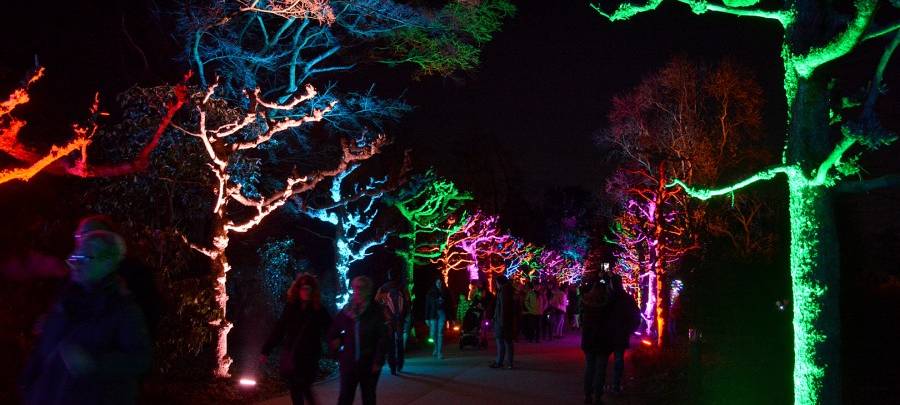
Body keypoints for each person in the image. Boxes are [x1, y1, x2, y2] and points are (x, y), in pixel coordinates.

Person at [20, 231, 151, 405]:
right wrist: (29, 386)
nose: (75, 264)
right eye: (75, 256)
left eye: (85, 257)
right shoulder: (65, 300)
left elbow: (140, 359)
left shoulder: (123, 310)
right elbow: (44, 352)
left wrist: (94, 364)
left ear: (108, 263)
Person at [261, 273, 331, 405]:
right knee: (296, 387)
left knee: (304, 386)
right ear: (298, 289)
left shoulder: (319, 310)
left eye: (309, 288)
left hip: (311, 356)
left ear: (313, 290)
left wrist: (337, 343)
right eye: (303, 288)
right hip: (293, 354)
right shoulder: (291, 308)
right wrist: (266, 350)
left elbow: (330, 329)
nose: (306, 291)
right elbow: (279, 329)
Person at [327, 276, 388, 405]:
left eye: (362, 288)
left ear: (368, 291)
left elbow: (382, 338)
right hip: (349, 363)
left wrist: (378, 360)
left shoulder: (375, 311)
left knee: (368, 397)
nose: (358, 291)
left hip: (369, 362)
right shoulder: (347, 310)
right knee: (345, 397)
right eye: (355, 288)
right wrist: (337, 346)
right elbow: (333, 331)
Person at [580, 276, 614, 405]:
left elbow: (582, 319)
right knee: (600, 370)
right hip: (603, 340)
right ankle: (598, 397)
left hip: (589, 339)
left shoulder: (586, 301)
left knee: (589, 368)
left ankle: (587, 395)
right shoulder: (607, 302)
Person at [607, 274, 641, 394]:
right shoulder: (627, 298)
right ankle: (616, 384)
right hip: (621, 332)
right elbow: (636, 316)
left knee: (602, 360)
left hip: (607, 333)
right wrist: (630, 329)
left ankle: (603, 385)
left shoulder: (608, 298)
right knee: (619, 359)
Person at [375, 276, 409, 375]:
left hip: (388, 320)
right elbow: (408, 303)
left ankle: (392, 366)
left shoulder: (382, 289)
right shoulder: (402, 288)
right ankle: (400, 363)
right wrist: (405, 316)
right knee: (399, 341)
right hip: (399, 320)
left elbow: (376, 303)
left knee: (390, 343)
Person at [490, 275, 514, 369]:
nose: (495, 285)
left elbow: (503, 308)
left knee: (501, 341)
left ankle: (500, 361)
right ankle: (509, 363)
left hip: (502, 321)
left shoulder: (503, 292)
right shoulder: (508, 290)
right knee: (508, 342)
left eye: (496, 283)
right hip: (505, 320)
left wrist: (501, 321)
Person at [424, 279, 449, 359]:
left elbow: (449, 304)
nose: (439, 284)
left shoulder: (445, 292)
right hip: (433, 314)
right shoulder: (430, 293)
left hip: (442, 313)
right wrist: (426, 318)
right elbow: (427, 305)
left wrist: (452, 317)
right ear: (435, 283)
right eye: (438, 282)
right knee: (433, 333)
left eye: (441, 282)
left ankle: (439, 352)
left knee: (440, 332)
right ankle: (436, 348)